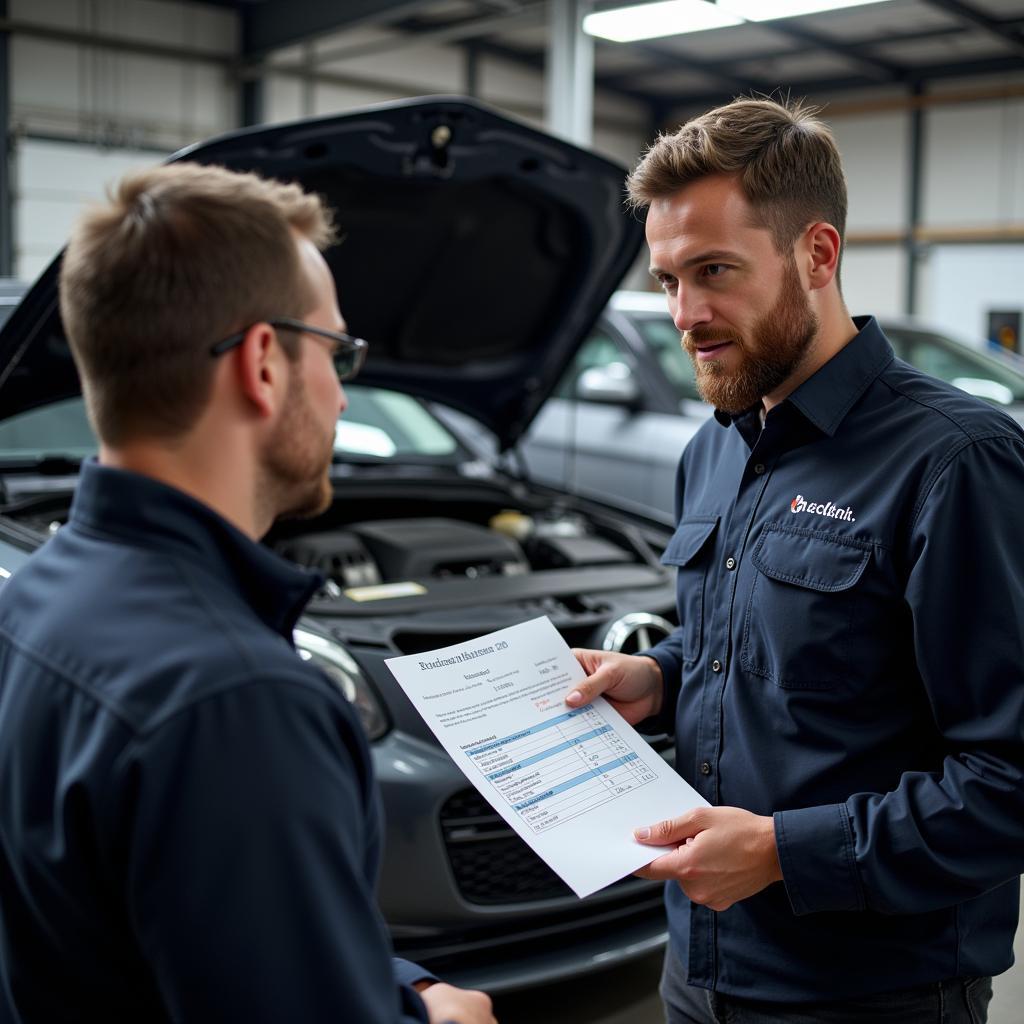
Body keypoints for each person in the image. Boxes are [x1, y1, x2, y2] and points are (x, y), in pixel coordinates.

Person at [0, 163, 495, 1024]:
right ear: (265, 362)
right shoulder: (240, 701)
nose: (343, 394)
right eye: (338, 352)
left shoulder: (33, 600)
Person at [566, 97, 1024, 1023]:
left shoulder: (955, 462)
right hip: (697, 973)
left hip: (871, 995)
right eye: (666, 281)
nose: (685, 315)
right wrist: (657, 675)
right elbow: (760, 643)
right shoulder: (717, 447)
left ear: (818, 255)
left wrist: (784, 851)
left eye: (715, 271)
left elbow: (1009, 777)